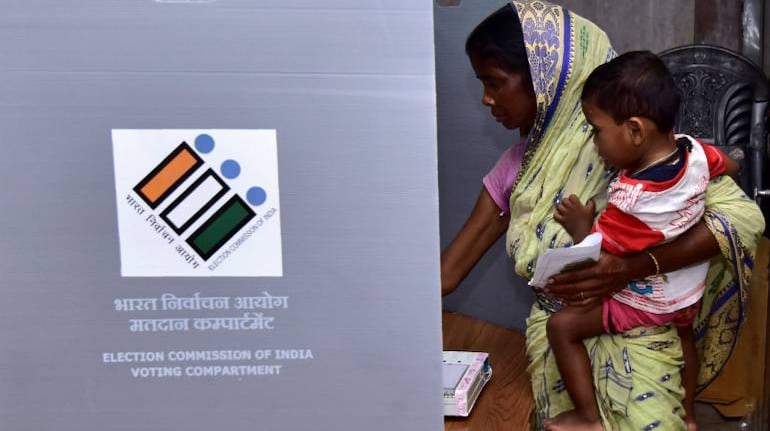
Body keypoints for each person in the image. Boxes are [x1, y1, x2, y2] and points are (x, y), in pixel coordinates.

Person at [440, 1, 764, 430]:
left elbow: (741, 220)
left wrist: (628, 268)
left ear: (544, 80)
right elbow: (446, 275)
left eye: (496, 82)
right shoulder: (518, 170)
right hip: (561, 348)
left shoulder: (629, 148)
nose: (487, 99)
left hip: (642, 344)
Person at [546, 50, 738, 431]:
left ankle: (587, 417)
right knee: (685, 339)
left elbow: (604, 259)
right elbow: (730, 165)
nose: (595, 143)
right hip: (688, 293)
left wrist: (583, 225)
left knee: (561, 327)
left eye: (596, 130)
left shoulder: (632, 201)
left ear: (635, 131)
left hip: (648, 299)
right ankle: (688, 414)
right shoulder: (695, 152)